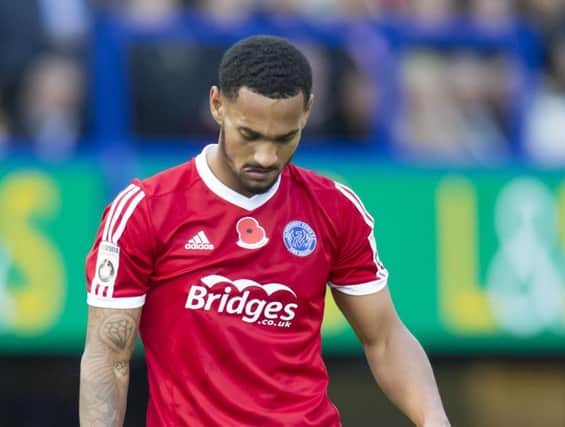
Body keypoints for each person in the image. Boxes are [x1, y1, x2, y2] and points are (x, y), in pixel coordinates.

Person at [79, 35, 450, 427]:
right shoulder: (146, 211)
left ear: (307, 112)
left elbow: (385, 338)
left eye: (284, 138)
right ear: (217, 105)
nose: (265, 156)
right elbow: (108, 357)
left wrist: (434, 419)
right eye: (249, 135)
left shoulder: (335, 208)